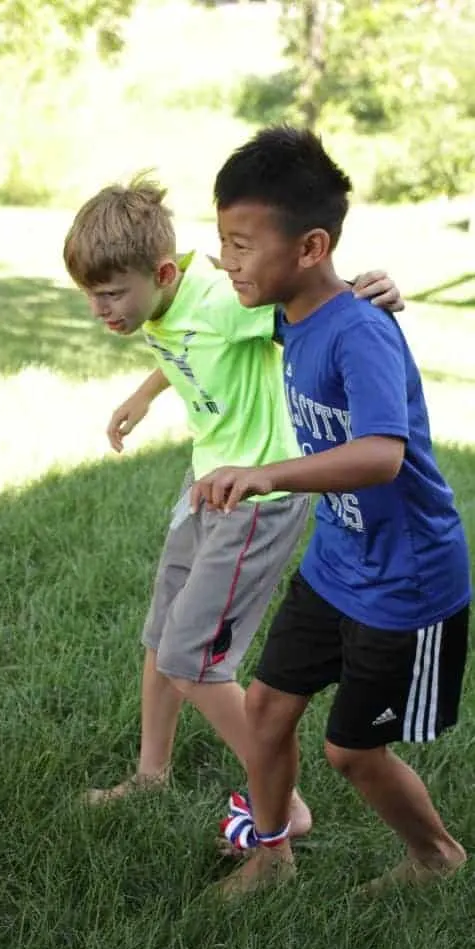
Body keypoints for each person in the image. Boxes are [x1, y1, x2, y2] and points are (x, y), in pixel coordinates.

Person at [63, 180, 403, 841]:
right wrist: (145, 392)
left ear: (161, 272)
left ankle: (282, 800)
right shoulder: (162, 301)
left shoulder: (222, 298)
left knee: (193, 655)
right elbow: (186, 346)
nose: (98, 309)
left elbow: (313, 307)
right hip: (205, 483)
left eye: (109, 295)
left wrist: (370, 289)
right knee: (162, 637)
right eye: (90, 293)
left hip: (258, 499)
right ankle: (150, 773)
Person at [191, 125, 471, 894]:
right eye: (223, 241)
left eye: (243, 244)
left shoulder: (359, 334)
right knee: (266, 707)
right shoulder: (288, 311)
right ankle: (271, 853)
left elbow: (381, 455)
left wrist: (264, 473)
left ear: (310, 247)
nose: (229, 261)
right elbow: (190, 308)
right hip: (336, 562)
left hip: (404, 580)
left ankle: (435, 857)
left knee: (350, 753)